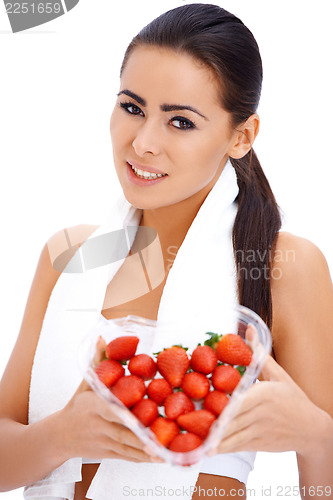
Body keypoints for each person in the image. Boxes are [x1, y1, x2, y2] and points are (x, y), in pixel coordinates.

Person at [0, 3, 332, 500]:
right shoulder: (68, 254)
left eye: (180, 122)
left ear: (241, 136)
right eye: (132, 108)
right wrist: (61, 435)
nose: (143, 143)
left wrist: (317, 435)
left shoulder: (284, 265)